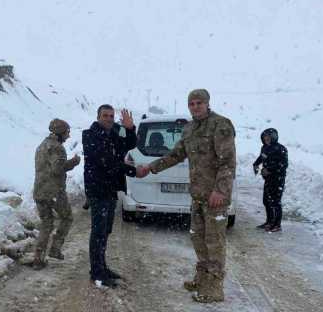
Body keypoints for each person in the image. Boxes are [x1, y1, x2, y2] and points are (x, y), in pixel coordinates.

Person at [137, 89, 236, 303]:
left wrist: (220, 190)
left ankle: (215, 287)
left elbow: (227, 161)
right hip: (198, 195)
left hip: (215, 197)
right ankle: (201, 279)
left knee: (214, 242)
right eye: (191, 103)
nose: (195, 106)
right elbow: (176, 155)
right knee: (198, 238)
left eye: (199, 102)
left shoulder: (221, 124)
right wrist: (151, 167)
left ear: (207, 103)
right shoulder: (189, 129)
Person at [82, 105, 137, 288]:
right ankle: (96, 273)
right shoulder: (89, 135)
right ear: (98, 117)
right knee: (98, 232)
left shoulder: (114, 132)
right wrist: (133, 171)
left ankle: (102, 267)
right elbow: (106, 160)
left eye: (111, 116)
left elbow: (129, 145)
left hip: (110, 189)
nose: (108, 118)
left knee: (105, 231)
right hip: (97, 190)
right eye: (105, 115)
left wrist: (130, 129)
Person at [32, 118, 81, 270]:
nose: (69, 135)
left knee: (46, 223)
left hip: (40, 191)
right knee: (67, 218)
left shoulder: (42, 145)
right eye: (67, 132)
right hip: (54, 192)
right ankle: (55, 249)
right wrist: (73, 162)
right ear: (61, 133)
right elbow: (57, 169)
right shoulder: (57, 148)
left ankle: (38, 259)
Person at [253, 128, 288, 232]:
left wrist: (270, 170)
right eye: (264, 137)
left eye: (268, 137)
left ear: (274, 138)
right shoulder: (264, 148)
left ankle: (277, 224)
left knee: (275, 202)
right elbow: (262, 157)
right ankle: (269, 222)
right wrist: (255, 164)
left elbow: (283, 165)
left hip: (277, 179)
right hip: (267, 179)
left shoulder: (280, 148)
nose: (266, 139)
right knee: (266, 201)